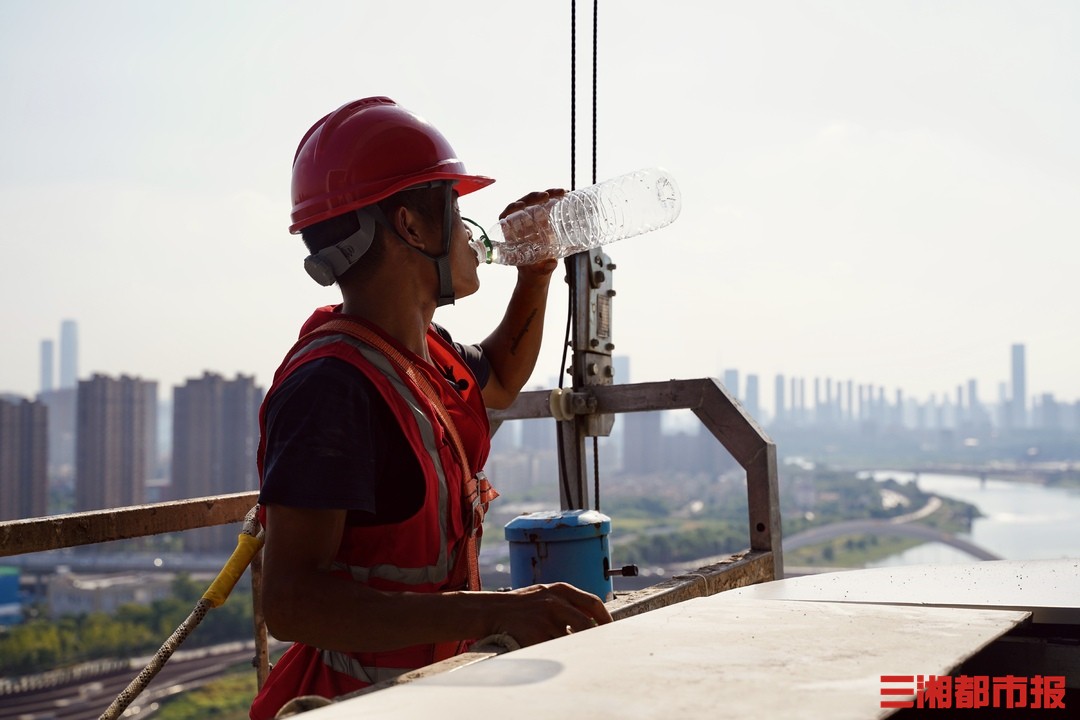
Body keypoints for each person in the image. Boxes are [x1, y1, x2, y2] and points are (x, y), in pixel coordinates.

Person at [249, 96, 612, 719]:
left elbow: (496, 378)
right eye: (455, 207)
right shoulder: (331, 389)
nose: (473, 232)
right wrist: (500, 610)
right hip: (354, 703)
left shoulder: (423, 357)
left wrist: (536, 272)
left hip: (428, 692)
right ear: (411, 226)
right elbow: (290, 602)